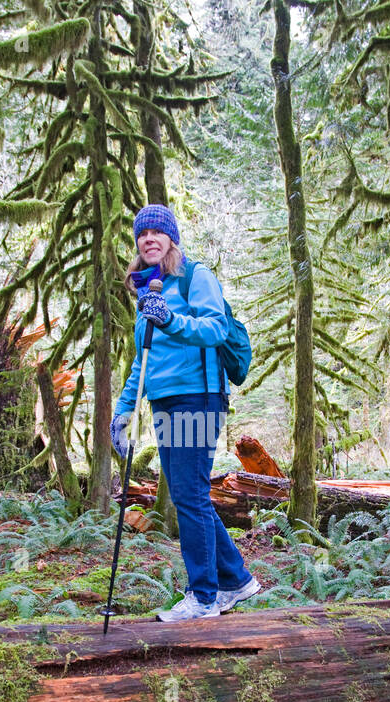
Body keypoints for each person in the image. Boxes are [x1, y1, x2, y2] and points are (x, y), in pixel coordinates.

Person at [110, 204, 261, 622]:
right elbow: (142, 360)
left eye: (158, 233)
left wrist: (172, 319)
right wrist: (123, 411)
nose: (149, 239)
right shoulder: (147, 291)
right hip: (166, 400)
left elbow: (216, 329)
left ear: (171, 238)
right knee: (185, 494)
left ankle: (204, 596)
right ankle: (234, 579)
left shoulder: (195, 277)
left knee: (190, 495)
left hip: (199, 396)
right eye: (142, 235)